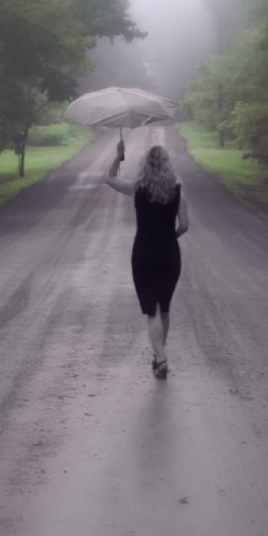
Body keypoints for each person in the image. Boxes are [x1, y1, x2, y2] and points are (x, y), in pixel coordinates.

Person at [104, 133, 190, 378]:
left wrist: (118, 156)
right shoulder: (178, 191)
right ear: (167, 165)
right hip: (169, 255)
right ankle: (159, 355)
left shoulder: (137, 189)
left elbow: (109, 179)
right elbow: (184, 225)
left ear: (145, 165)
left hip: (143, 254)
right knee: (164, 308)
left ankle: (160, 358)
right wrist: (170, 237)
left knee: (151, 310)